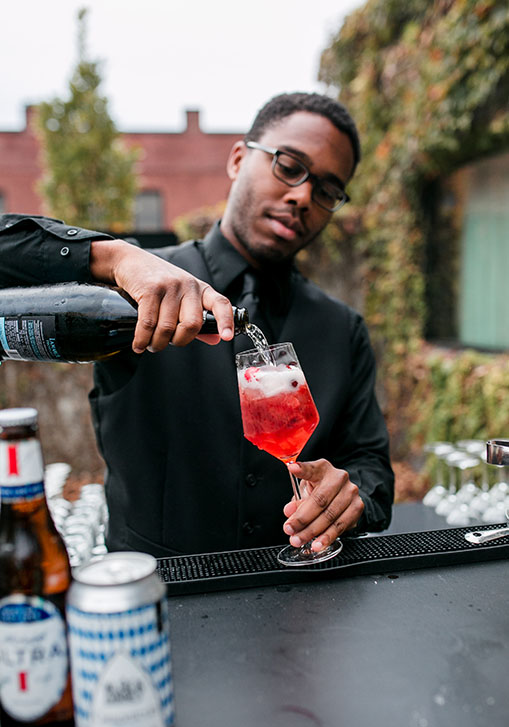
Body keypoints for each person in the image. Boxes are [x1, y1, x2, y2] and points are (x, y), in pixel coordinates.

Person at [0, 92, 394, 558]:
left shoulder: (341, 327)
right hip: (160, 595)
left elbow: (371, 467)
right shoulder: (133, 284)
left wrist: (353, 498)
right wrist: (113, 256)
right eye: (289, 166)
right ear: (237, 159)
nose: (303, 196)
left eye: (327, 190)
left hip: (303, 605)